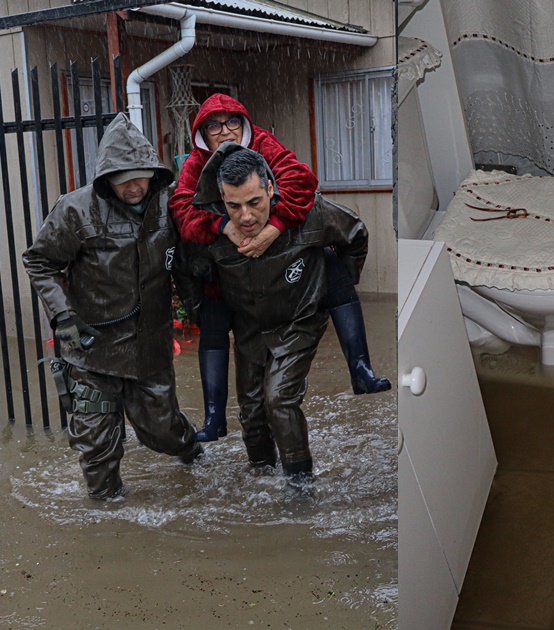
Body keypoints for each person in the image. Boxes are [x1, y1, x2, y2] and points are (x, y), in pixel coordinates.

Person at [169, 93, 390, 444]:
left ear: (244, 124)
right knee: (216, 318)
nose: (224, 131)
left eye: (232, 122)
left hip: (287, 263)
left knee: (330, 262)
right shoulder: (196, 164)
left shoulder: (263, 144)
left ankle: (360, 367)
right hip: (231, 272)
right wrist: (221, 226)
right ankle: (214, 416)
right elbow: (181, 212)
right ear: (201, 133)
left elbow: (302, 182)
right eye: (213, 125)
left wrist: (275, 226)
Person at [23, 112, 202, 501]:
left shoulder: (169, 206)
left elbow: (185, 264)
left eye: (141, 178)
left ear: (153, 173)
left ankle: (194, 452)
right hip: (91, 352)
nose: (135, 188)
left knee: (163, 432)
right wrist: (62, 313)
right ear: (107, 181)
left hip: (149, 348)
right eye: (124, 182)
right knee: (96, 445)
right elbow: (39, 261)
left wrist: (197, 307)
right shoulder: (75, 210)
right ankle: (108, 515)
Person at [176, 144, 369, 485]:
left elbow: (355, 235)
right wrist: (204, 312)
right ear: (221, 199)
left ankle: (300, 484)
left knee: (278, 398)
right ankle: (262, 478)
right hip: (250, 328)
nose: (246, 217)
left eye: (254, 203)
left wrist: (335, 285)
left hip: (300, 320)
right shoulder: (213, 234)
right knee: (251, 414)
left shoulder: (309, 214)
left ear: (269, 188)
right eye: (233, 206)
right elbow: (191, 272)